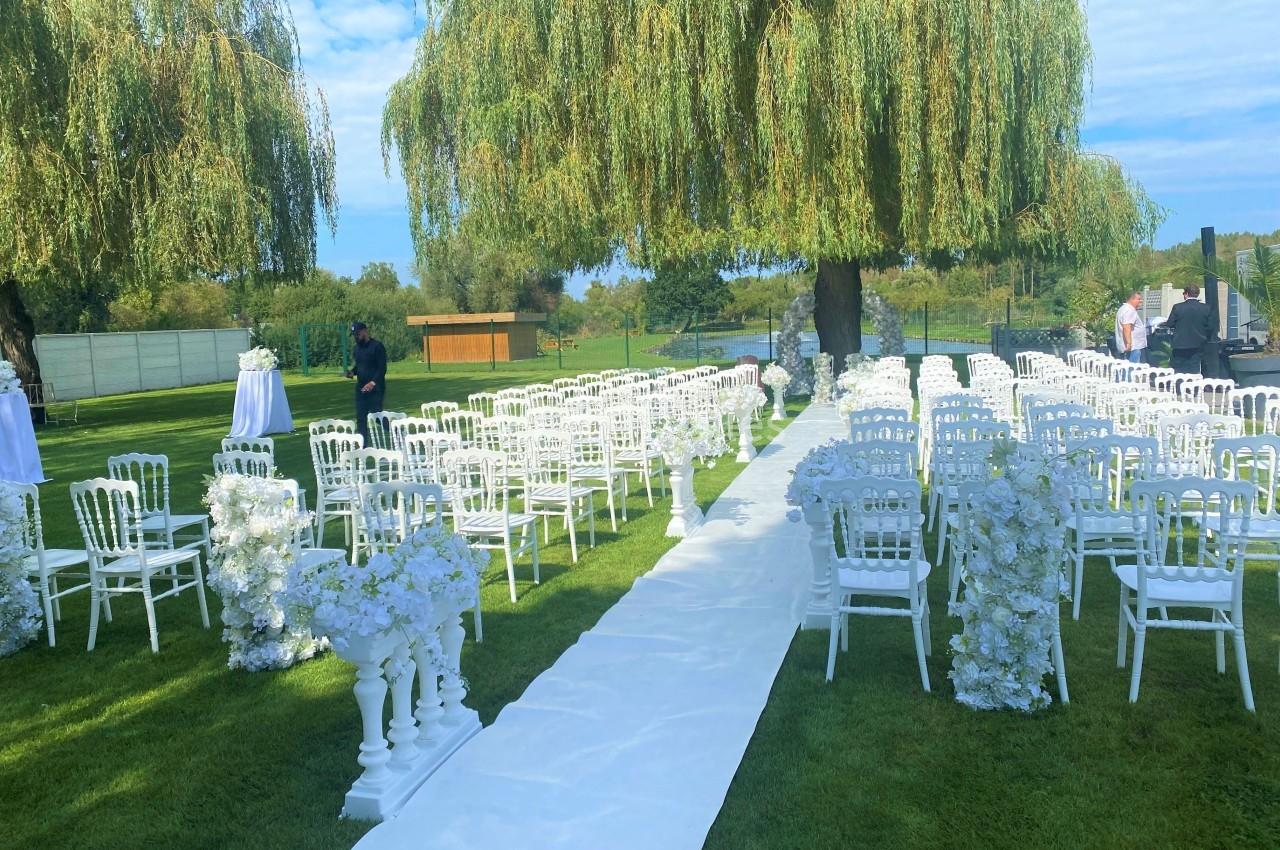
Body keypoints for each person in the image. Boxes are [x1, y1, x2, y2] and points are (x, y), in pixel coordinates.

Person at [345, 321, 386, 445]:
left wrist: (372, 383)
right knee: (361, 418)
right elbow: (360, 366)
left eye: (358, 334)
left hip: (376, 388)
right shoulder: (357, 349)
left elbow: (382, 368)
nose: (356, 337)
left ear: (364, 331)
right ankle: (363, 447)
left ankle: (397, 431)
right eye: (354, 335)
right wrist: (352, 372)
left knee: (376, 416)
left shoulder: (377, 346)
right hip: (361, 388)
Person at [1164, 286, 1213, 375]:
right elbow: (1210, 327)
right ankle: (1192, 387)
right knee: (1194, 369)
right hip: (1198, 344)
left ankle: (1180, 387)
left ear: (1186, 294)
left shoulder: (1178, 307)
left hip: (1180, 344)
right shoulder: (1206, 308)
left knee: (1179, 370)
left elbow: (1169, 324)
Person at [1114, 291, 1148, 363]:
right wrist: (1129, 343)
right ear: (1132, 299)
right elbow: (1126, 327)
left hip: (1132, 347)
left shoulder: (1124, 309)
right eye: (1138, 299)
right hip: (1133, 348)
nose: (1140, 301)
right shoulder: (1129, 310)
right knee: (1132, 370)